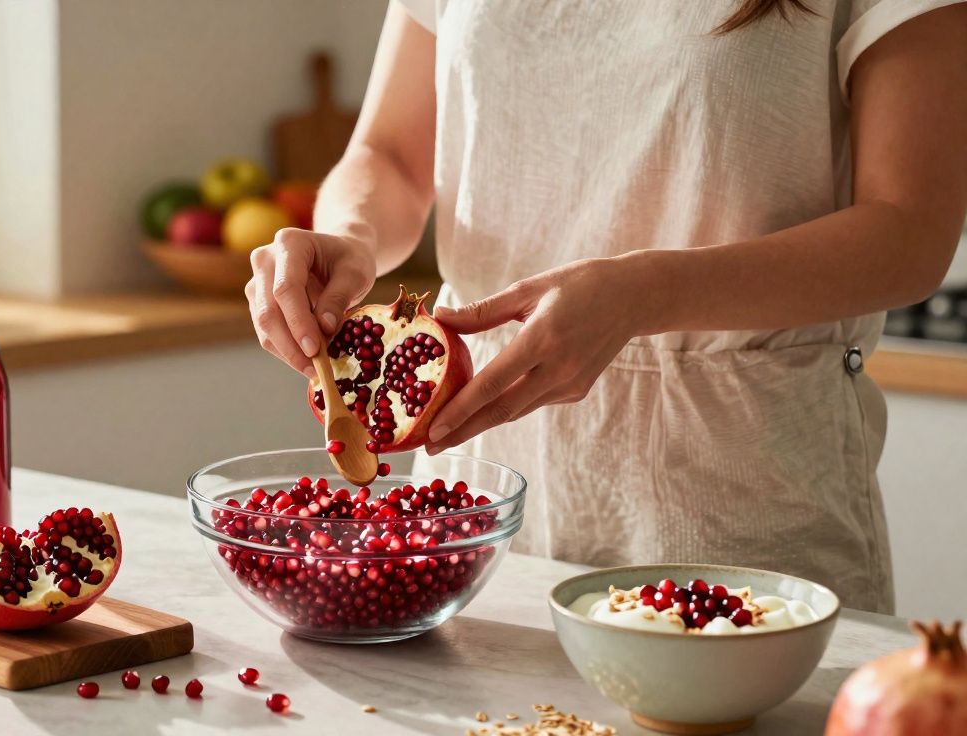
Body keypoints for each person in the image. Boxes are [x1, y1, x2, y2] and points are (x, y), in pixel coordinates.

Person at [244, 0, 967, 613]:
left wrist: (646, 293)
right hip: (485, 483)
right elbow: (392, 156)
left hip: (741, 484)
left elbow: (910, 229)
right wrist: (345, 235)